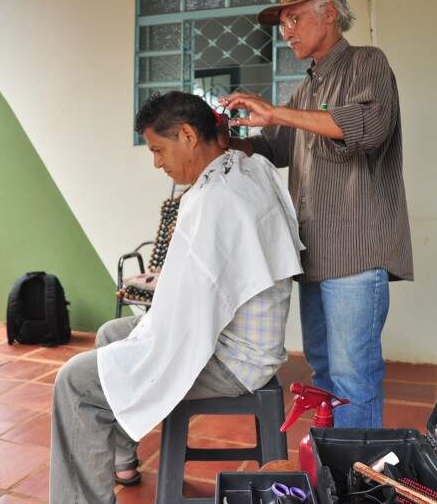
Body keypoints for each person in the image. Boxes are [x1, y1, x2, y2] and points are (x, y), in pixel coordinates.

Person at [49, 91, 304, 503]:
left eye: (158, 149)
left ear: (187, 134)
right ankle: (121, 461)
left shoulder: (213, 200)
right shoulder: (246, 168)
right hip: (249, 343)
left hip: (235, 360)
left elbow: (188, 312)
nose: (157, 163)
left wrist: (156, 319)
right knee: (112, 334)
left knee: (74, 382)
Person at [219, 0, 413, 429]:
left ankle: (359, 487)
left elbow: (366, 126)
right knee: (324, 374)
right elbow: (275, 147)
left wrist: (276, 112)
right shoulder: (307, 89)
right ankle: (335, 473)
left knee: (353, 377)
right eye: (283, 21)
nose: (286, 29)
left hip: (356, 251)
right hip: (315, 251)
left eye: (295, 17)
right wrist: (222, 138)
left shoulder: (367, 62)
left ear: (330, 12)